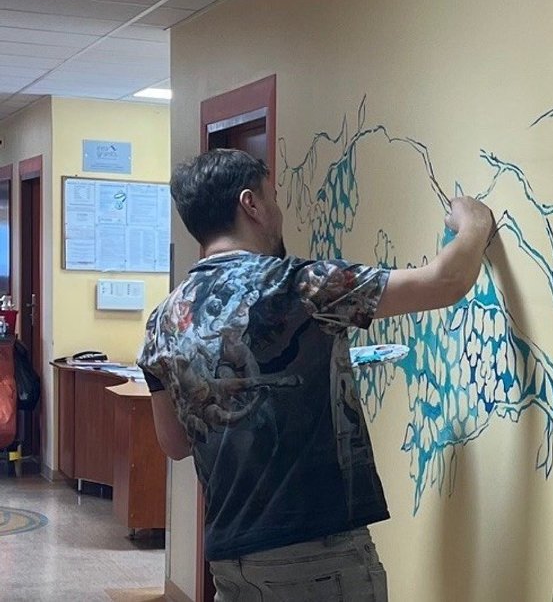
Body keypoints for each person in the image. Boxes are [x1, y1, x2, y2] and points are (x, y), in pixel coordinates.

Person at [138, 148, 494, 601]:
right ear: (251, 203)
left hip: (230, 558)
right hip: (315, 554)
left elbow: (175, 443)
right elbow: (445, 282)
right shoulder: (299, 285)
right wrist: (474, 222)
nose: (278, 210)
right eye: (272, 197)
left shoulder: (163, 321)